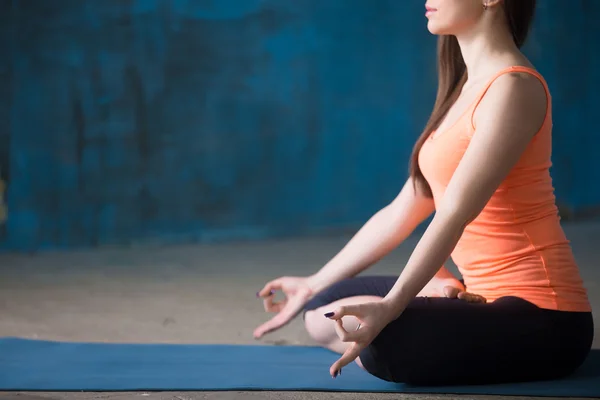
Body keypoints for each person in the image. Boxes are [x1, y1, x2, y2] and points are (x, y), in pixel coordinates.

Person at [254, 0, 594, 386]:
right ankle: (445, 293)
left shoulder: (513, 88)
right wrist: (314, 281)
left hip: (544, 316)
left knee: (386, 342)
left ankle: (429, 310)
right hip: (479, 294)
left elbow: (453, 213)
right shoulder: (465, 88)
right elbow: (403, 209)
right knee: (319, 309)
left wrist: (393, 304)